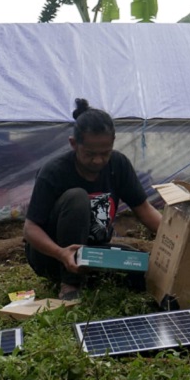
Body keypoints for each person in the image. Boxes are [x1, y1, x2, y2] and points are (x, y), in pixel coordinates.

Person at [23, 98, 162, 301]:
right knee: (77, 197)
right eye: (89, 154)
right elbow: (30, 229)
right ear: (73, 144)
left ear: (113, 143)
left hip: (93, 252)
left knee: (137, 261)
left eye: (104, 153)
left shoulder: (118, 165)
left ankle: (93, 275)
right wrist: (61, 253)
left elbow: (143, 209)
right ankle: (69, 284)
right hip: (52, 257)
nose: (98, 160)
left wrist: (174, 239)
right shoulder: (54, 172)